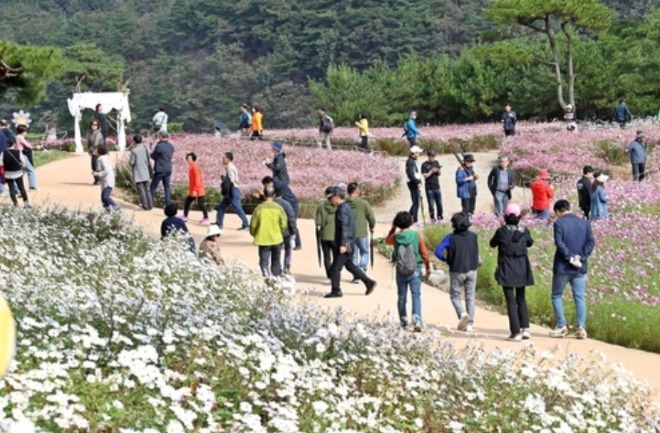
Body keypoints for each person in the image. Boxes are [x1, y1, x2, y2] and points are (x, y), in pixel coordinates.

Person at [549, 199, 596, 339]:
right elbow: (591, 242)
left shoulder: (559, 223)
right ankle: (581, 328)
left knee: (557, 295)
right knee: (579, 297)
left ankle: (561, 325)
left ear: (558, 212)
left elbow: (559, 243)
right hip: (580, 267)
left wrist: (570, 257)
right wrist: (581, 257)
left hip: (563, 267)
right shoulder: (584, 222)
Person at [489, 203, 535, 341]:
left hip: (507, 267)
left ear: (505, 216)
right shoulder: (524, 230)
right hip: (522, 267)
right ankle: (525, 329)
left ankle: (515, 332)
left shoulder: (501, 231)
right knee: (521, 298)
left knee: (510, 300)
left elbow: (492, 244)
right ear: (519, 216)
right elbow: (530, 243)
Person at [324, 186, 377, 298]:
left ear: (336, 196)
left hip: (345, 243)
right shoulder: (346, 207)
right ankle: (369, 282)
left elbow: (345, 227)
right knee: (349, 265)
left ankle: (336, 291)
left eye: (330, 198)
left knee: (335, 269)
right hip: (350, 242)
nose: (328, 200)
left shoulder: (342, 209)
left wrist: (343, 244)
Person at [385, 211, 431, 331]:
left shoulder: (395, 237)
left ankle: (404, 322)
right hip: (415, 269)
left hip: (401, 270)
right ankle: (417, 321)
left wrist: (393, 228)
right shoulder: (416, 235)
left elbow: (387, 241)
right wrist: (427, 267)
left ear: (397, 223)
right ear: (410, 222)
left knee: (401, 296)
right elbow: (424, 254)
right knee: (416, 295)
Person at [435, 212, 480, 332]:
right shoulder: (473, 236)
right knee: (470, 297)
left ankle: (462, 313)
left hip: (456, 270)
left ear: (454, 224)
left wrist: (445, 259)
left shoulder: (450, 238)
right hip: (472, 269)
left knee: (455, 296)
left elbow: (438, 252)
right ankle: (470, 325)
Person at [250, 186, 287, 277]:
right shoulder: (279, 208)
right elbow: (284, 224)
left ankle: (267, 279)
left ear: (264, 195)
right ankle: (276, 278)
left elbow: (253, 225)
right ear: (274, 195)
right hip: (276, 238)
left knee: (264, 261)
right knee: (276, 261)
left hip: (263, 239)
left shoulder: (259, 208)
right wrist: (280, 232)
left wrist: (255, 234)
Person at [346, 182, 376, 280]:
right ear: (357, 191)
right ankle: (362, 269)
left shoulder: (344, 203)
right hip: (362, 232)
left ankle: (356, 275)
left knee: (353, 255)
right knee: (365, 252)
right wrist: (371, 226)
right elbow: (371, 217)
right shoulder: (363, 203)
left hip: (349, 234)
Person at [216, 152, 250, 230]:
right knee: (222, 207)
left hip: (233, 190)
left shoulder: (230, 167)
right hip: (231, 190)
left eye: (224, 158)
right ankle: (219, 223)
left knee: (237, 208)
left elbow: (232, 180)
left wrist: (224, 180)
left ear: (228, 159)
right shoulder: (229, 166)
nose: (222, 159)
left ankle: (246, 225)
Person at [1, 138, 31, 208]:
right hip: (18, 172)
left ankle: (15, 204)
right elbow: (23, 162)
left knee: (11, 188)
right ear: (14, 144)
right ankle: (26, 203)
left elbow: (0, 163)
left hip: (8, 173)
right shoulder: (18, 152)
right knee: (21, 187)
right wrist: (21, 166)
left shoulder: (3, 152)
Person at [274, 184, 297, 274]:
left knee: (277, 250)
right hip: (286, 232)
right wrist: (293, 232)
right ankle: (286, 266)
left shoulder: (270, 204)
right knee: (288, 249)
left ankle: (276, 267)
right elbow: (292, 218)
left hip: (275, 231)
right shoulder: (286, 204)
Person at [315, 186, 337, 279]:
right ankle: (335, 274)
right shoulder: (338, 206)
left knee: (327, 257)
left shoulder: (321, 206)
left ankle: (329, 275)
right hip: (336, 235)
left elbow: (318, 222)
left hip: (324, 235)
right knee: (336, 257)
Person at [181, 152, 209, 224]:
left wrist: (195, 190)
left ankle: (206, 218)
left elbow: (197, 179)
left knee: (201, 204)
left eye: (189, 158)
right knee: (188, 202)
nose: (188, 159)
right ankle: (185, 216)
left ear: (193, 159)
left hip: (198, 189)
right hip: (195, 189)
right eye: (187, 158)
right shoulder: (191, 167)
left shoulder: (194, 167)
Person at [129, 134, 153, 210]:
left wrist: (131, 149)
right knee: (147, 189)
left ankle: (145, 206)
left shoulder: (134, 151)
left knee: (141, 190)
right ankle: (150, 205)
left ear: (134, 141)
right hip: (146, 171)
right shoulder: (145, 149)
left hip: (138, 172)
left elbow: (132, 162)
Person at [92, 144, 119, 212]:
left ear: (99, 151)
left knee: (105, 197)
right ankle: (107, 213)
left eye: (96, 149)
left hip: (108, 181)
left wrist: (97, 174)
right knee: (103, 199)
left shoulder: (102, 159)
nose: (94, 150)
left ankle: (116, 206)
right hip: (104, 181)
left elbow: (106, 170)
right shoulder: (100, 158)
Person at [150, 131, 175, 204]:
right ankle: (168, 203)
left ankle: (150, 202)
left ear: (161, 136)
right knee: (167, 187)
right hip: (168, 168)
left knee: (153, 186)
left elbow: (153, 156)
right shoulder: (171, 146)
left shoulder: (159, 146)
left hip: (160, 169)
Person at [421, 149, 443, 223]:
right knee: (431, 205)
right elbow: (425, 176)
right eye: (431, 156)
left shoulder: (436, 162)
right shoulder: (424, 165)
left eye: (434, 156)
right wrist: (431, 171)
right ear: (428, 156)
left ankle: (440, 217)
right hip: (429, 187)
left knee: (439, 204)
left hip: (437, 186)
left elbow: (439, 174)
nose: (433, 158)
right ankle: (432, 218)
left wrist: (438, 170)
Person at [15, 125, 38, 190]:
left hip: (17, 155)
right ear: (23, 131)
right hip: (22, 155)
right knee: (31, 170)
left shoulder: (16, 136)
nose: (26, 132)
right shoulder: (20, 137)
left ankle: (16, 188)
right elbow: (27, 145)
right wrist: (35, 147)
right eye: (26, 131)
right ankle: (32, 186)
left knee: (21, 172)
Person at [406, 145, 423, 224]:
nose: (419, 154)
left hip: (414, 182)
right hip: (412, 183)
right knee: (416, 202)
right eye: (418, 153)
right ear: (414, 153)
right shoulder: (410, 162)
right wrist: (417, 182)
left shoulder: (412, 161)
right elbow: (411, 174)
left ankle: (409, 217)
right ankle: (414, 220)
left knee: (416, 202)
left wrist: (419, 181)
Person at [87, 119, 105, 185]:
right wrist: (89, 150)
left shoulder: (98, 133)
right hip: (93, 152)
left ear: (98, 126)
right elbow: (89, 143)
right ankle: (96, 180)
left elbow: (96, 143)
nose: (94, 126)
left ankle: (99, 180)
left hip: (98, 152)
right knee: (93, 166)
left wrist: (91, 150)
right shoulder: (91, 133)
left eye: (95, 125)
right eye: (93, 124)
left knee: (97, 166)